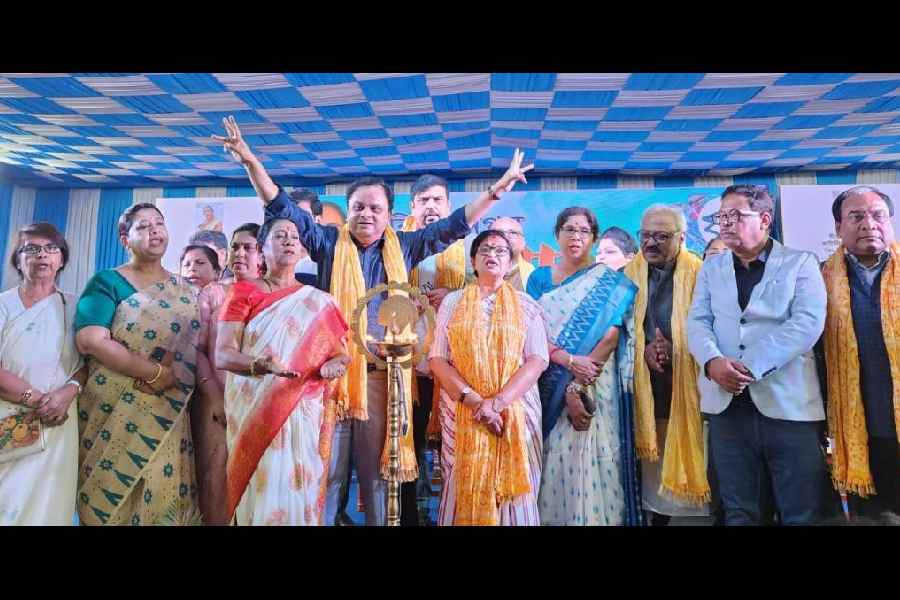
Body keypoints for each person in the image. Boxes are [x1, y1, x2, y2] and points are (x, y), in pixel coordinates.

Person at [213, 115, 533, 526]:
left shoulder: (407, 245)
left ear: (390, 214)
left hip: (384, 378)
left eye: (375, 208)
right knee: (323, 475)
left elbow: (455, 226)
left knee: (379, 481)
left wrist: (494, 191)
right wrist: (249, 161)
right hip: (325, 377)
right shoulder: (328, 242)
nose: (366, 214)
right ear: (348, 212)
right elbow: (280, 205)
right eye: (358, 207)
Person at [687, 184, 828, 525]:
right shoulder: (711, 268)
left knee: (801, 510)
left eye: (736, 215)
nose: (725, 223)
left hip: (788, 407)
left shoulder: (801, 263)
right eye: (722, 216)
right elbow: (697, 322)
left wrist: (747, 366)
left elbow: (807, 323)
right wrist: (712, 362)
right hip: (727, 408)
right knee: (740, 510)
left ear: (765, 219)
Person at [215, 217, 349, 525]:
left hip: (302, 410)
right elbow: (223, 354)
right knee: (262, 483)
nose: (289, 241)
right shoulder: (242, 293)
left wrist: (333, 365)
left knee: (299, 481)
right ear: (262, 249)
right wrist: (258, 366)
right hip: (255, 410)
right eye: (280, 236)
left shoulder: (320, 301)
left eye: (294, 236)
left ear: (303, 249)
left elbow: (342, 355)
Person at [75, 203, 200, 526]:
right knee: (108, 498)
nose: (155, 231)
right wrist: (156, 372)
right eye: (143, 226)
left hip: (166, 413)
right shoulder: (108, 282)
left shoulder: (185, 290)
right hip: (112, 409)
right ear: (124, 239)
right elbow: (91, 341)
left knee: (162, 490)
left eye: (159, 223)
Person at [528, 207, 642, 525]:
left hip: (594, 381)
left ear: (593, 238)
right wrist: (568, 361)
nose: (575, 237)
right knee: (554, 461)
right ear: (557, 235)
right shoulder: (538, 278)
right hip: (549, 381)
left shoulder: (609, 282)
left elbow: (611, 333)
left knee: (589, 456)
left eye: (583, 231)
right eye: (569, 229)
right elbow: (532, 332)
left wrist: (577, 384)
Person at [428, 230, 548, 525]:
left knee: (514, 493)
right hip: (462, 411)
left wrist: (498, 403)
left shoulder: (527, 305)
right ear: (473, 261)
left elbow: (537, 359)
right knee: (461, 483)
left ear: (509, 264)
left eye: (500, 251)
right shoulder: (453, 303)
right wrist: (474, 400)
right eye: (485, 250)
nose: (492, 255)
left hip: (516, 411)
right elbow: (437, 359)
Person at [624, 205, 709, 526]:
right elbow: (613, 333)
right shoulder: (626, 278)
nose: (651, 244)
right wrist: (643, 348)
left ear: (682, 238)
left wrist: (679, 350)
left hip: (692, 390)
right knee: (650, 478)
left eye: (661, 236)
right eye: (645, 236)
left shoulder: (703, 275)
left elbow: (718, 331)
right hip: (643, 392)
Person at [821, 185, 900, 517]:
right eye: (856, 216)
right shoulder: (817, 278)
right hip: (859, 424)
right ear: (839, 227)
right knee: (874, 515)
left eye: (878, 215)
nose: (869, 224)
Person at [0, 223, 86, 525]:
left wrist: (69, 391)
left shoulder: (76, 306)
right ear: (17, 259)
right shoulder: (2, 305)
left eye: (51, 249)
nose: (42, 256)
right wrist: (37, 400)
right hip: (9, 420)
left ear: (62, 259)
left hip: (58, 422)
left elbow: (88, 362)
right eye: (32, 249)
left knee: (48, 506)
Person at [398, 173, 468, 526]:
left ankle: (451, 514)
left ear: (449, 206)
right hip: (406, 367)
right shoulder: (397, 245)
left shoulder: (467, 249)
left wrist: (454, 296)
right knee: (406, 444)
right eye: (423, 200)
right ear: (411, 206)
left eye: (437, 200)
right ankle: (408, 516)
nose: (430, 206)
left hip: (451, 365)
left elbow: (482, 293)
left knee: (450, 447)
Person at [180, 244, 230, 525]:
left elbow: (197, 347)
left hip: (211, 395)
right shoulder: (174, 298)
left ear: (217, 270)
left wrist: (212, 393)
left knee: (213, 471)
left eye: (200, 263)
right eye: (186, 264)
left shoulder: (217, 294)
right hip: (181, 394)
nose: (191, 270)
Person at [491, 216, 535, 292]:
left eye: (512, 233)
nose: (505, 237)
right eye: (498, 233)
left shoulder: (533, 276)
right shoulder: (474, 276)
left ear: (523, 242)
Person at [289, 189, 322, 287]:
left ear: (317, 220)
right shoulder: (271, 260)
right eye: (291, 216)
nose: (296, 221)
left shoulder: (329, 262)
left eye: (303, 216)